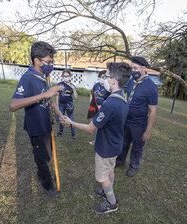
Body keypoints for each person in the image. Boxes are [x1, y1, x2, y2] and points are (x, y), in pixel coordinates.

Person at [62, 62, 131, 214]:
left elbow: (90, 128)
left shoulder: (111, 103)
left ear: (113, 80)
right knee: (110, 170)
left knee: (102, 176)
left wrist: (71, 122)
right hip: (116, 143)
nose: (104, 79)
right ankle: (106, 191)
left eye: (106, 76)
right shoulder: (123, 96)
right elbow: (113, 115)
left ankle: (111, 203)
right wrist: (104, 111)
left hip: (106, 147)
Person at [9, 41, 64, 198]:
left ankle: (43, 173)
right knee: (43, 159)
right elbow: (13, 105)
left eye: (52, 61)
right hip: (36, 127)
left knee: (48, 154)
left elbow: (49, 100)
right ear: (36, 61)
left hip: (47, 123)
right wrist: (44, 95)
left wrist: (59, 115)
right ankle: (46, 183)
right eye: (48, 61)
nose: (51, 65)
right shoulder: (27, 78)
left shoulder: (45, 76)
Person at [116, 56, 158, 177]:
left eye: (135, 68)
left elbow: (153, 111)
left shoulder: (151, 87)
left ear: (143, 68)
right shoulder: (131, 81)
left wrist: (148, 131)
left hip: (139, 124)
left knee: (137, 147)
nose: (133, 71)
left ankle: (134, 166)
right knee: (123, 142)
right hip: (126, 120)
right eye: (131, 68)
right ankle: (120, 160)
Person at [88, 70, 111, 145]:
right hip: (94, 108)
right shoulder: (96, 85)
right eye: (100, 77)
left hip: (103, 109)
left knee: (101, 125)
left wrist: (101, 106)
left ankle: (101, 141)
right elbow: (92, 94)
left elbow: (109, 100)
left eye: (103, 77)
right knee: (95, 124)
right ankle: (96, 140)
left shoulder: (108, 87)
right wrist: (92, 104)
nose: (102, 78)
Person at [55, 69, 78, 139]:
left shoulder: (72, 86)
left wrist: (73, 89)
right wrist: (57, 105)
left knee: (71, 119)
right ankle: (60, 132)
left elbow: (76, 97)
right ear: (62, 76)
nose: (66, 77)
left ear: (70, 76)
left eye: (67, 76)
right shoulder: (59, 84)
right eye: (64, 76)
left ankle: (73, 133)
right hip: (61, 105)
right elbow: (57, 95)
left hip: (69, 106)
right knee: (61, 118)